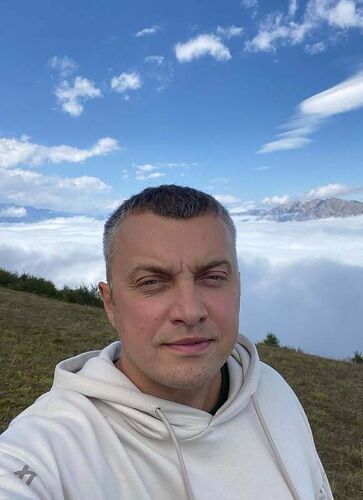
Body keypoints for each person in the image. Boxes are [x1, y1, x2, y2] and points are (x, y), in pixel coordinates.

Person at [0, 185, 333, 499]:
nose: (190, 311)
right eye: (152, 282)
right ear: (110, 303)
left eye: (213, 277)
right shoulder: (50, 448)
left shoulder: (272, 389)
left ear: (238, 287)